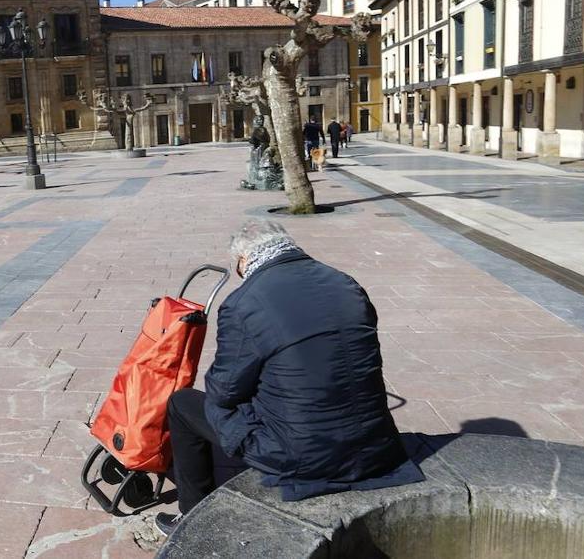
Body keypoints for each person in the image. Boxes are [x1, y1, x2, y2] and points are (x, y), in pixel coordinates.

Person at [156, 220, 423, 536]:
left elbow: (224, 391)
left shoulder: (244, 303)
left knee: (183, 404)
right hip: (377, 445)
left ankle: (191, 517)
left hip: (304, 457)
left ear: (244, 260)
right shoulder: (346, 283)